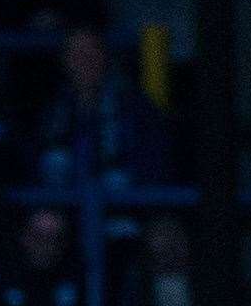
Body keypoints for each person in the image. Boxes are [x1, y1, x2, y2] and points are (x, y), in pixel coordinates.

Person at [32, 26, 173, 187]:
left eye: (91, 53)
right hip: (61, 204)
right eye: (76, 54)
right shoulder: (51, 108)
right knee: (55, 162)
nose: (85, 62)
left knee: (116, 180)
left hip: (123, 203)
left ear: (104, 57)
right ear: (64, 60)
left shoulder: (134, 105)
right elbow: (35, 162)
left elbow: (153, 162)